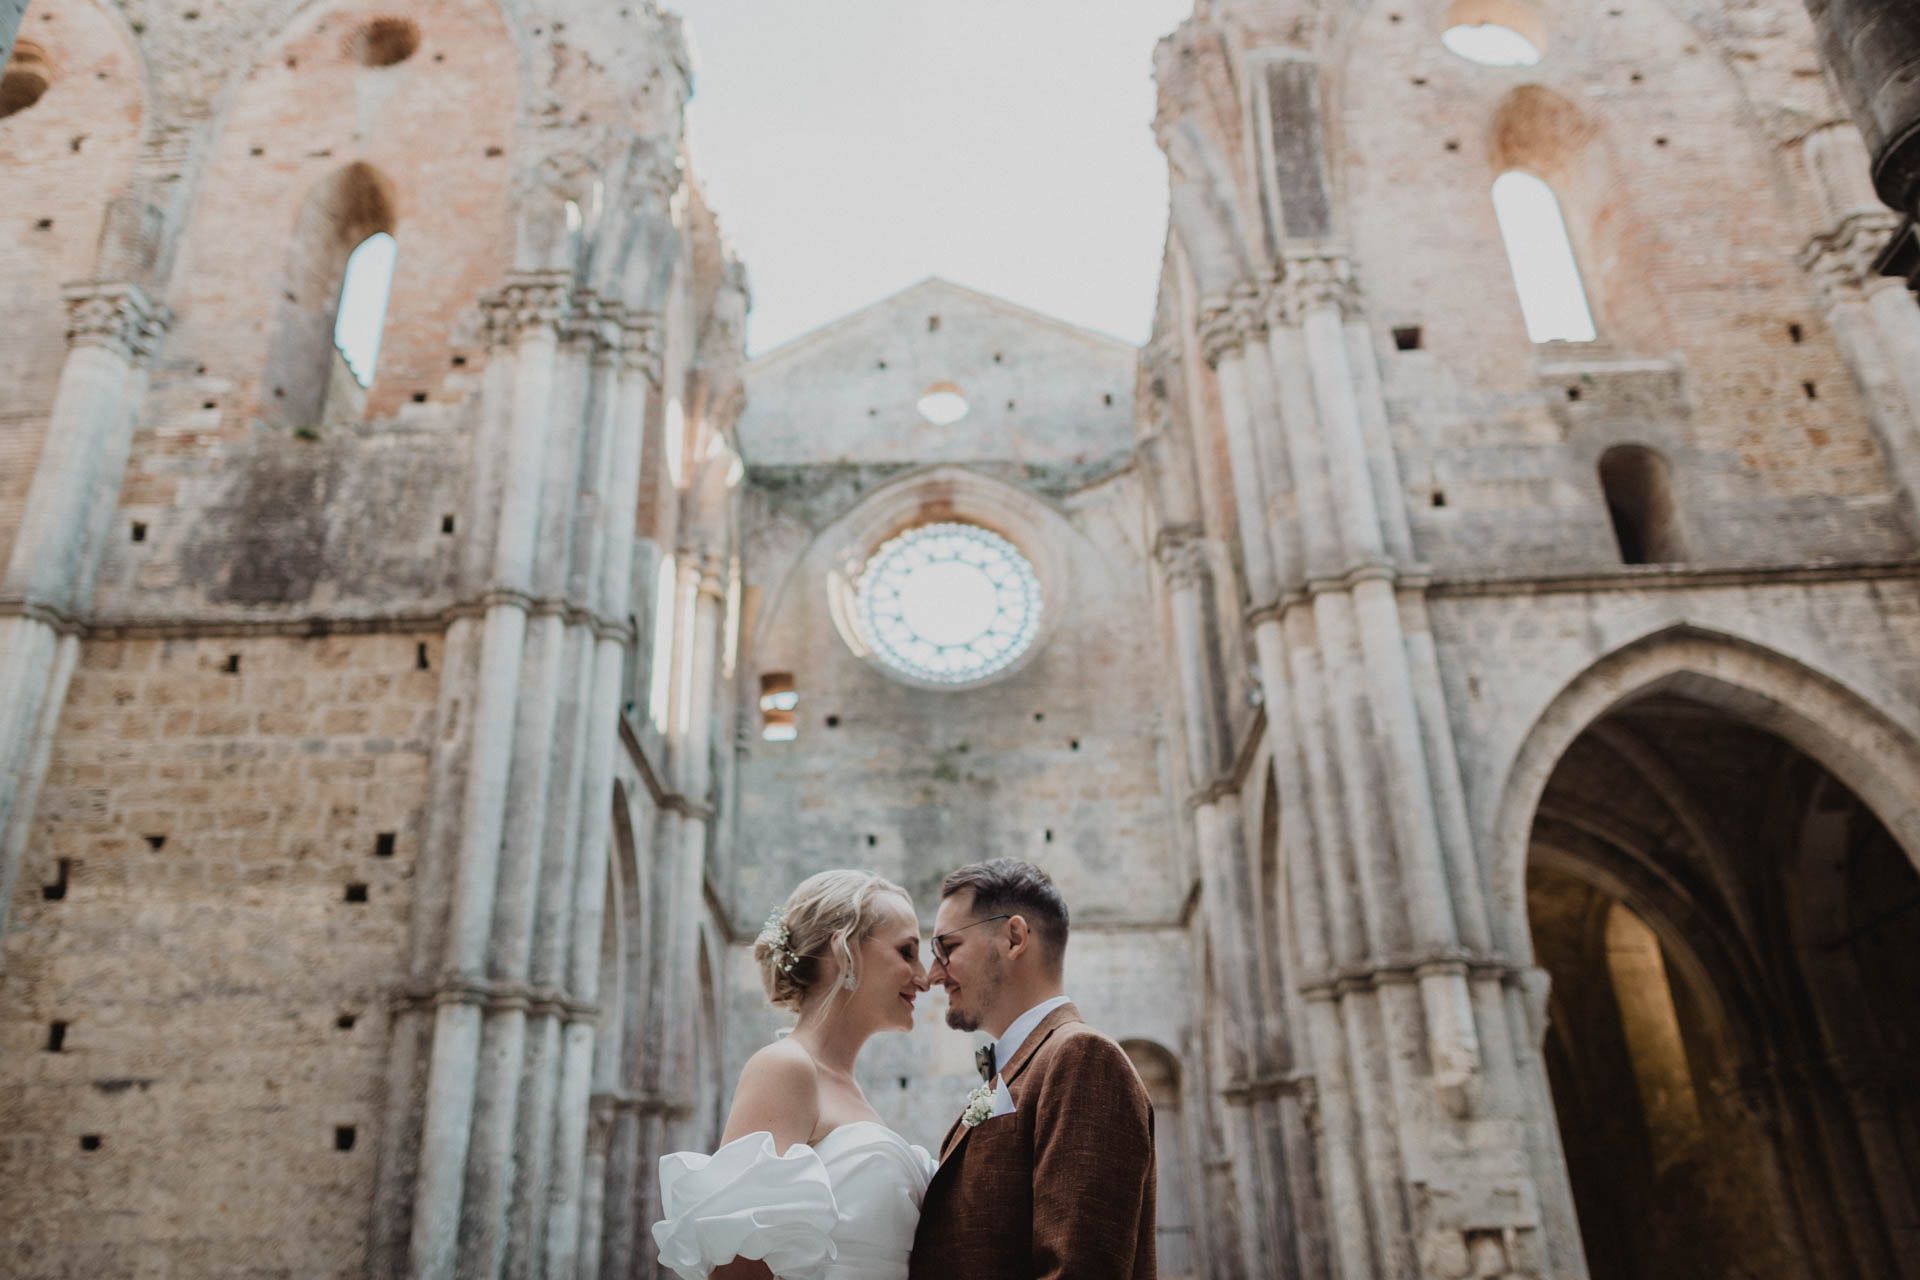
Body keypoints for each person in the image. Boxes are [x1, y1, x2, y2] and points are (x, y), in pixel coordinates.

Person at [651, 869, 934, 1280]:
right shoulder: (785, 1067)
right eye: (906, 952)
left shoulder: (851, 1091)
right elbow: (739, 1268)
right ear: (845, 950)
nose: (924, 978)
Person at [910, 859, 1157, 1280]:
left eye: (946, 948)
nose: (933, 975)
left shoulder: (1083, 1057)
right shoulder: (1027, 1063)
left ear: (1014, 937)